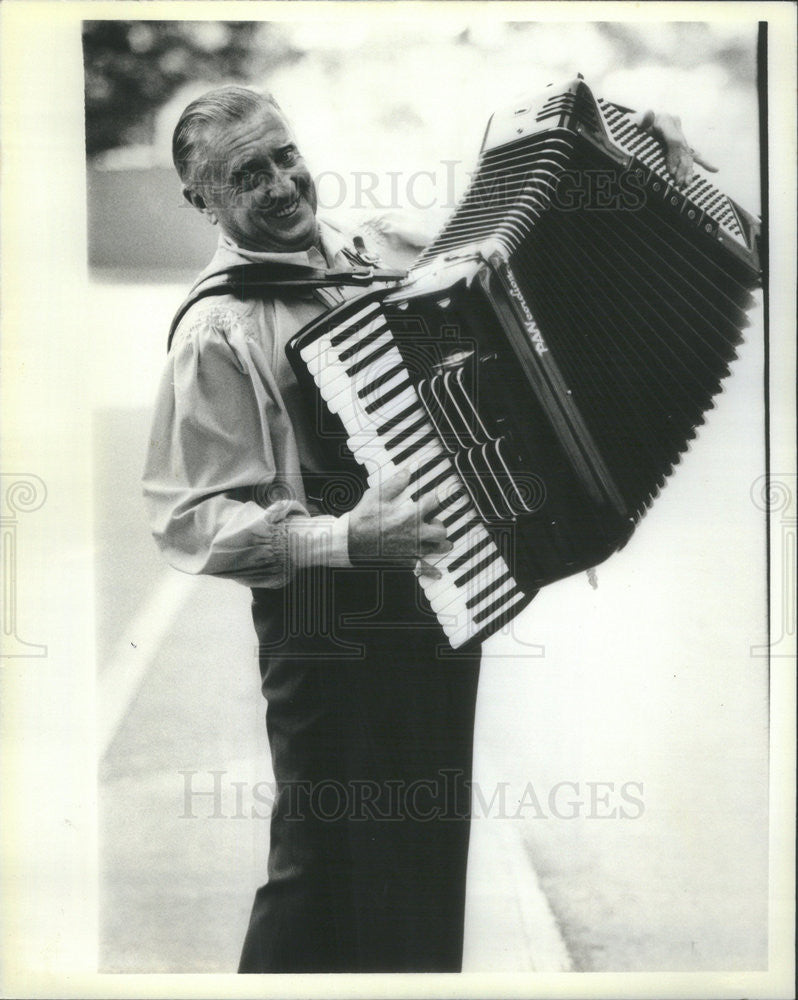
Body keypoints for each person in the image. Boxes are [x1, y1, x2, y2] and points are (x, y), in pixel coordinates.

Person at [142, 84, 709, 973]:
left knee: (424, 868)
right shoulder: (219, 329)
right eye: (248, 173)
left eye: (286, 154)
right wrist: (344, 540)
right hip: (324, 634)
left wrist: (637, 162)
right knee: (317, 878)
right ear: (202, 200)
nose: (283, 182)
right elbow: (189, 520)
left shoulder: (372, 249)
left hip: (440, 602)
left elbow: (509, 233)